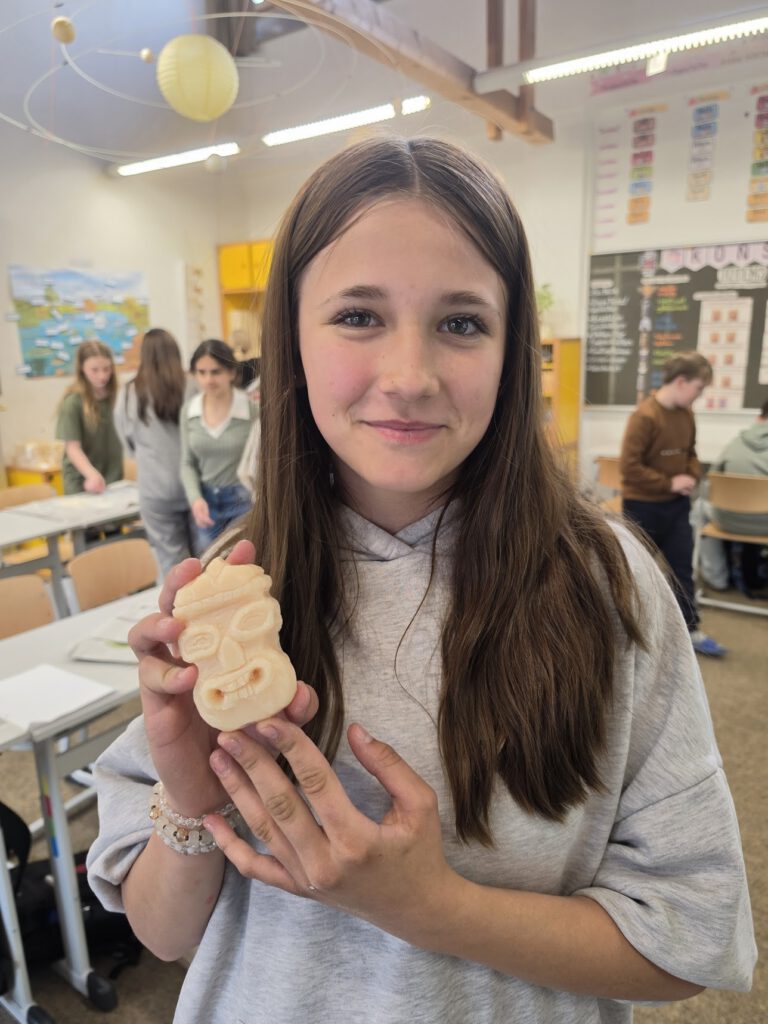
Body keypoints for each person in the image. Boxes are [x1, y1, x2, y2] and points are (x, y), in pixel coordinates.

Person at [87, 137, 755, 1024]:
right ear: (290, 341)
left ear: (513, 348)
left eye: (462, 323)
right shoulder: (232, 587)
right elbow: (165, 935)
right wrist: (187, 795)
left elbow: (692, 940)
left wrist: (431, 909)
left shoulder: (606, 583)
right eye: (358, 315)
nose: (409, 378)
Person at [620, 351, 726, 657]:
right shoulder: (644, 417)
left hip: (676, 507)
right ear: (680, 382)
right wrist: (669, 483)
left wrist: (690, 475)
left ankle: (690, 630)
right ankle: (623, 630)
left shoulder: (686, 414)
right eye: (698, 388)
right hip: (643, 506)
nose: (699, 395)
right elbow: (630, 468)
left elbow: (691, 452)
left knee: (682, 569)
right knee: (633, 572)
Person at [115, 328, 196, 577]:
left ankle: (177, 601)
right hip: (195, 486)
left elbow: (127, 440)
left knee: (172, 562)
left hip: (154, 487)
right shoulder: (193, 385)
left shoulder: (129, 392)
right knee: (206, 556)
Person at [179, 339, 257, 549]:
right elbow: (187, 463)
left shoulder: (252, 409)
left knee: (244, 560)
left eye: (216, 372)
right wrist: (195, 498)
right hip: (206, 504)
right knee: (208, 563)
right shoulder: (189, 411)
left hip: (244, 501)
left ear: (231, 372)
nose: (208, 379)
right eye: (201, 372)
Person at [698, 399, 768, 595]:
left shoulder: (735, 443)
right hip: (765, 525)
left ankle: (716, 577)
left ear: (759, 417)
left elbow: (709, 486)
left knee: (698, 507)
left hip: (728, 521)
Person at [55, 340, 123, 494]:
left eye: (107, 369)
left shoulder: (117, 397)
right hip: (82, 481)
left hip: (112, 478)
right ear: (82, 369)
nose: (102, 376)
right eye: (94, 370)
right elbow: (72, 448)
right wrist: (91, 474)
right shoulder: (73, 402)